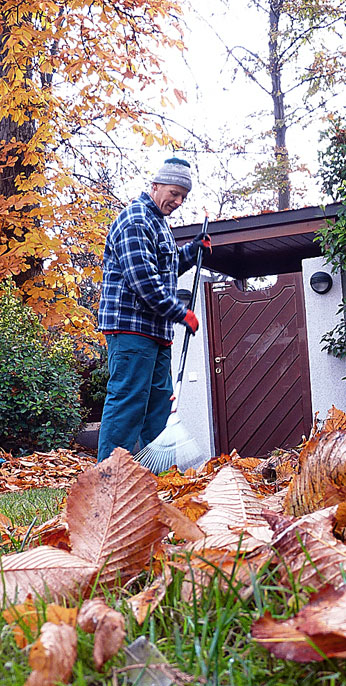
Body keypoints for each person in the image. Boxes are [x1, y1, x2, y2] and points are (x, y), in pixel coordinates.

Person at [97, 157, 210, 462]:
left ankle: (159, 475)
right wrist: (181, 313)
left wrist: (191, 251)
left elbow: (164, 269)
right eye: (173, 192)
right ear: (156, 185)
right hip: (130, 327)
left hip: (157, 332)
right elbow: (144, 282)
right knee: (128, 402)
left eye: (183, 197)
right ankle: (109, 477)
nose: (177, 201)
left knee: (160, 406)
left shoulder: (158, 223)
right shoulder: (135, 220)